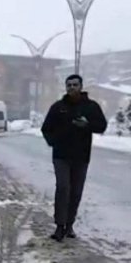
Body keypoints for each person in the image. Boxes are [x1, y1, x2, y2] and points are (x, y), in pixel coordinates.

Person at [40, 74, 107, 241]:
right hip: (61, 156)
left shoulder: (91, 107)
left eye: (75, 85)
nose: (71, 88)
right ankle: (59, 226)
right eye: (69, 85)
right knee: (63, 188)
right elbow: (46, 128)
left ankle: (69, 224)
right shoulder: (58, 107)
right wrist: (54, 142)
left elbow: (102, 126)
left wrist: (87, 125)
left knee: (76, 191)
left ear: (81, 86)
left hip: (81, 156)